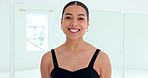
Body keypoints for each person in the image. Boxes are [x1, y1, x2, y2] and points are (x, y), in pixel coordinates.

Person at [40, 1, 111, 78]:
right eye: (68, 18)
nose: (74, 23)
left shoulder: (102, 59)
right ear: (61, 22)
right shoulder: (47, 59)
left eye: (80, 18)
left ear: (87, 24)